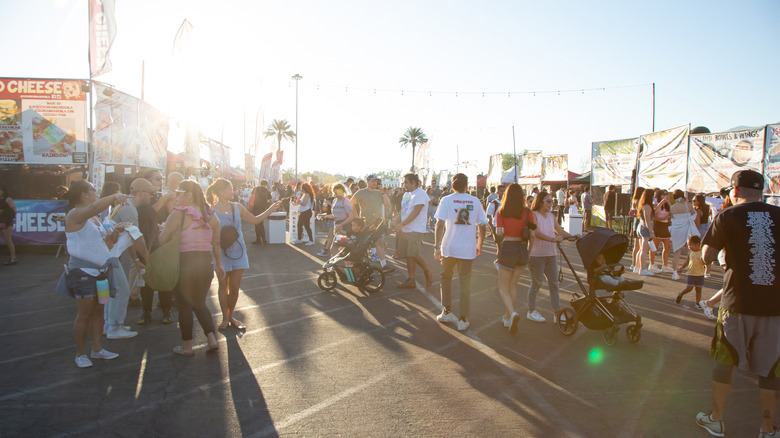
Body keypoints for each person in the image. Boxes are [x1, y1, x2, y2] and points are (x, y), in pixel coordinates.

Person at [696, 170, 780, 438]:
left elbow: (706, 256)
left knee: (725, 359)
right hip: (775, 306)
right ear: (762, 192)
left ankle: (716, 419)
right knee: (770, 369)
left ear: (734, 191)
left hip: (736, 302)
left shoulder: (727, 216)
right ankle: (768, 429)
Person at [63, 181, 127, 368]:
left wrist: (115, 232)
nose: (96, 192)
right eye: (92, 190)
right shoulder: (75, 214)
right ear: (83, 194)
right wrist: (113, 197)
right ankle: (80, 353)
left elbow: (106, 243)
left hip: (101, 272)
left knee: (99, 311)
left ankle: (97, 349)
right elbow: (94, 207)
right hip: (83, 272)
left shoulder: (95, 218)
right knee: (84, 314)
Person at [206, 178, 281, 331]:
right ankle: (225, 317)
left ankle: (230, 315)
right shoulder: (211, 210)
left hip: (239, 252)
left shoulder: (237, 207)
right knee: (222, 286)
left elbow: (255, 220)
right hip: (221, 252)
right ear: (221, 192)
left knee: (234, 288)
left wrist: (271, 209)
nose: (233, 192)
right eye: (230, 189)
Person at [159, 180, 223, 356]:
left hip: (184, 262)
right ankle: (211, 339)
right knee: (200, 303)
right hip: (205, 262)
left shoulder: (178, 214)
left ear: (188, 195)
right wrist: (219, 265)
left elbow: (162, 240)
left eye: (179, 193)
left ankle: (187, 347)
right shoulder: (211, 214)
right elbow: (216, 242)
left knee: (184, 305)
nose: (176, 196)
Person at [434, 173, 487, 332]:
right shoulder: (475, 201)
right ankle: (463, 318)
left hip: (449, 247)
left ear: (452, 186)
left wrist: (436, 246)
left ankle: (447, 311)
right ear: (466, 185)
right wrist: (480, 243)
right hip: (467, 248)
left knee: (446, 278)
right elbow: (483, 224)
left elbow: (439, 224)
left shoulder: (446, 200)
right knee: (465, 282)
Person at [527, 191, 578, 323]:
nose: (551, 204)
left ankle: (557, 313)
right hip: (537, 255)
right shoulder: (534, 215)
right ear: (540, 202)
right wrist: (553, 239)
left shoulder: (551, 216)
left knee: (554, 284)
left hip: (551, 255)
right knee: (536, 284)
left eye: (552, 201)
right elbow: (536, 233)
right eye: (548, 201)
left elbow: (560, 231)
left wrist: (574, 236)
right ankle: (531, 311)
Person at [495, 183, 535, 334]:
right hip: (522, 249)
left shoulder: (502, 211)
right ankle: (507, 317)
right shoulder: (528, 212)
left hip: (508, 247)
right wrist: (529, 252)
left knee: (502, 287)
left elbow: (499, 232)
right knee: (513, 285)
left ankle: (512, 313)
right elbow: (533, 235)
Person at [393, 173, 433, 289]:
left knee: (414, 253)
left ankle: (427, 272)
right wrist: (395, 221)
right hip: (406, 229)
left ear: (414, 182)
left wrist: (402, 224)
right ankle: (411, 279)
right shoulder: (406, 194)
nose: (404, 185)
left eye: (406, 182)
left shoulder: (420, 194)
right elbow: (403, 210)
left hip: (416, 229)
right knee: (408, 255)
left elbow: (416, 211)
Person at [351, 175, 393, 272]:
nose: (375, 183)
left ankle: (384, 265)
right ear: (368, 182)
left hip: (377, 224)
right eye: (373, 181)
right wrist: (356, 216)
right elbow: (351, 202)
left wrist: (383, 193)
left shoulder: (379, 193)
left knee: (380, 243)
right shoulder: (361, 192)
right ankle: (359, 265)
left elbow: (388, 204)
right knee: (362, 245)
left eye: (376, 181)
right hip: (365, 224)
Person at [318, 183, 354, 257]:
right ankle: (335, 267)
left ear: (343, 191)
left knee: (341, 248)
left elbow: (351, 217)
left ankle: (342, 266)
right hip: (336, 225)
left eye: (339, 192)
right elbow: (335, 215)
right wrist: (325, 216)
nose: (337, 194)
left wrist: (341, 225)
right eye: (335, 192)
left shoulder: (346, 201)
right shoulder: (334, 201)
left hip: (344, 227)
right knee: (335, 248)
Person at [669, 190, 698, 281]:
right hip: (687, 229)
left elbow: (672, 218)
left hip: (676, 230)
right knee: (690, 250)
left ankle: (674, 273)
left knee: (677, 251)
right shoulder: (688, 205)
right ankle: (691, 269)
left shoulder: (672, 207)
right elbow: (694, 215)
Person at [674, 235, 706, 307]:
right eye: (688, 245)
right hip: (691, 274)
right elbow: (686, 262)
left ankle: (698, 303)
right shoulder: (690, 253)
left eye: (690, 245)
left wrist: (707, 271)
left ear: (697, 244)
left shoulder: (702, 253)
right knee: (689, 288)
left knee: (698, 290)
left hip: (700, 274)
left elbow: (706, 262)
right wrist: (681, 268)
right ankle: (680, 294)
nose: (689, 247)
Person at [649, 189, 672, 274]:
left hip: (665, 227)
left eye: (666, 194)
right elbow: (653, 215)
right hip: (658, 226)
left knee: (667, 246)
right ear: (659, 196)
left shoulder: (667, 205)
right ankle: (652, 264)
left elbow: (672, 212)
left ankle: (665, 265)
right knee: (655, 247)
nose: (665, 195)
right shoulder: (656, 204)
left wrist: (668, 202)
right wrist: (661, 203)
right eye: (663, 194)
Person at [633, 188, 656, 276]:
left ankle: (638, 267)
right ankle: (643, 268)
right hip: (645, 228)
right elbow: (647, 220)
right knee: (644, 249)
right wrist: (651, 232)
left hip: (641, 227)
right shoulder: (647, 206)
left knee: (641, 249)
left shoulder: (643, 205)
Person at [250, 180, 273, 244]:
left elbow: (252, 197)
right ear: (266, 184)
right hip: (263, 209)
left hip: (255, 208)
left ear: (261, 183)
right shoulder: (267, 191)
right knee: (261, 223)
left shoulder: (255, 189)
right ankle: (263, 239)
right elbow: (271, 202)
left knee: (256, 223)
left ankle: (259, 239)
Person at [629, 187, 645, 272]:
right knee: (639, 246)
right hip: (639, 223)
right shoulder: (639, 202)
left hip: (635, 224)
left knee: (636, 246)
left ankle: (633, 263)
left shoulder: (634, 201)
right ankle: (636, 264)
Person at [0, 185, 17, 265]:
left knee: (8, 239)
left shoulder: (8, 199)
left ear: (3, 191)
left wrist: (4, 213)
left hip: (7, 221)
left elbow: (14, 210)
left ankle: (13, 258)